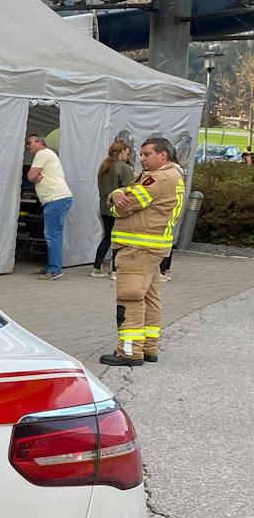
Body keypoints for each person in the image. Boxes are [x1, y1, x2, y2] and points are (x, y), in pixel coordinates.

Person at [100, 136, 186, 368]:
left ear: (163, 155)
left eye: (147, 154)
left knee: (130, 297)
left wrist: (114, 197)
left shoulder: (159, 178)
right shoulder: (173, 176)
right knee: (149, 297)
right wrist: (118, 193)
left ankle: (129, 351)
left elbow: (124, 205)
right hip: (152, 248)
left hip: (137, 249)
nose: (142, 158)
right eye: (141, 154)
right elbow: (128, 192)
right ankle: (149, 347)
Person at [25, 133, 72, 280]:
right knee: (53, 234)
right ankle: (51, 265)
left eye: (29, 142)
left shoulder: (42, 153)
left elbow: (31, 176)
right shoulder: (49, 155)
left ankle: (55, 269)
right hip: (59, 198)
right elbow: (34, 176)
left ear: (38, 142)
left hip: (55, 199)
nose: (27, 146)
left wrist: (34, 176)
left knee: (53, 235)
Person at [91, 140, 134, 278]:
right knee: (118, 238)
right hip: (119, 206)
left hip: (104, 205)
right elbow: (131, 188)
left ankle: (96, 267)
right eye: (127, 153)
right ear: (121, 152)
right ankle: (115, 270)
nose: (128, 156)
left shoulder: (104, 166)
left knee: (107, 237)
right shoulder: (124, 168)